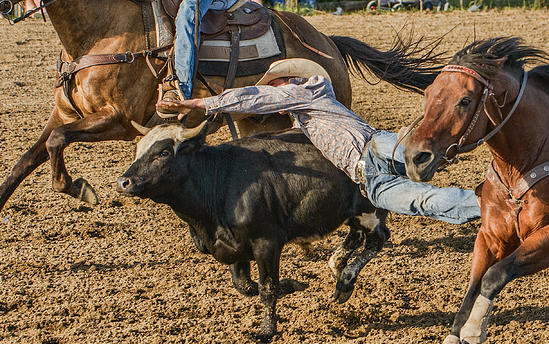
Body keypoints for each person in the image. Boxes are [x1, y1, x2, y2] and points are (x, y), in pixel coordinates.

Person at [161, 58, 482, 225]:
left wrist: (201, 104)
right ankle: (486, 205)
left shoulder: (308, 89)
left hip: (374, 148)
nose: (276, 93)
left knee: (422, 185)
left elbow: (256, 98)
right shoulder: (305, 114)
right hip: (367, 173)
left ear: (289, 81)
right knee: (421, 201)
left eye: (278, 86)